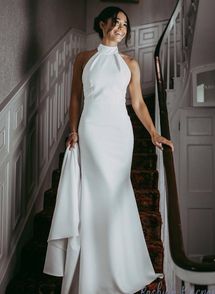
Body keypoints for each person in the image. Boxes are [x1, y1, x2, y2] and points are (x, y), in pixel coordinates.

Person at [44, 6, 174, 294]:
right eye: (116, 22)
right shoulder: (83, 59)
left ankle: (121, 267)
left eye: (125, 25)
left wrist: (154, 133)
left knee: (117, 195)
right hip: (91, 131)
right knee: (91, 197)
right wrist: (74, 130)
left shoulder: (130, 63)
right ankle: (89, 272)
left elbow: (138, 103)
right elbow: (76, 98)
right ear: (102, 24)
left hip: (119, 134)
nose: (120, 29)